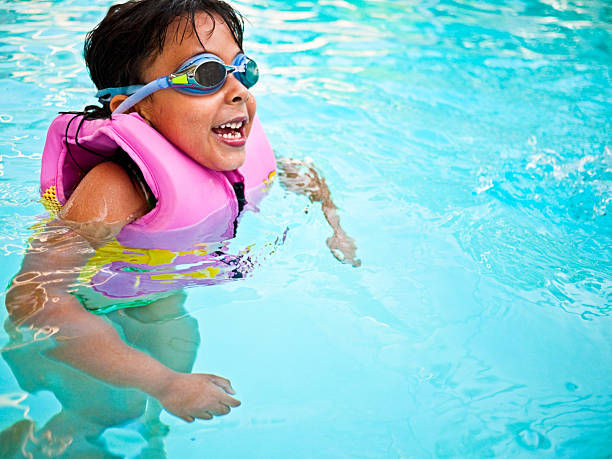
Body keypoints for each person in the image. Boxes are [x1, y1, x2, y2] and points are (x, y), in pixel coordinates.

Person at [4, 0, 359, 428]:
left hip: (162, 295)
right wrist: (163, 383)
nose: (238, 91)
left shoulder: (228, 148)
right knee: (105, 414)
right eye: (205, 75)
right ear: (133, 108)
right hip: (91, 306)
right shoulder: (116, 187)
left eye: (242, 70)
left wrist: (333, 222)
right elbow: (34, 299)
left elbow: (295, 170)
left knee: (159, 396)